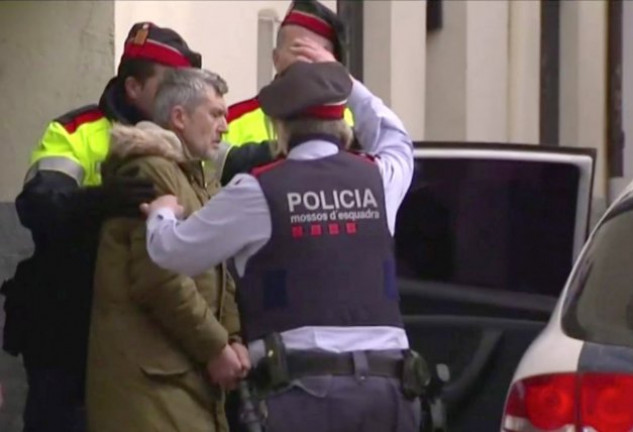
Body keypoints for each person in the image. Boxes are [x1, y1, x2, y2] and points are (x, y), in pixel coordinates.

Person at [141, 60, 422, 431]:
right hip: (388, 394)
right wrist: (347, 83)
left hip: (302, 396)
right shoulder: (379, 178)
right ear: (341, 126)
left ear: (281, 129)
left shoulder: (259, 190)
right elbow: (396, 138)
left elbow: (172, 253)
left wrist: (161, 215)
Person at [2, 22, 201, 432]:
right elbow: (39, 206)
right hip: (71, 325)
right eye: (169, 86)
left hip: (152, 328)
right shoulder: (75, 132)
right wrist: (98, 202)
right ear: (133, 88)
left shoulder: (191, 137)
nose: (180, 99)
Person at [86, 67, 249, 432]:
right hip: (152, 385)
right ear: (179, 117)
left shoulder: (197, 178)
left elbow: (221, 272)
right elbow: (160, 278)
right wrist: (217, 348)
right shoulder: (151, 171)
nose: (225, 126)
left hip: (180, 376)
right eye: (215, 114)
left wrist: (233, 340)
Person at [224, 0, 353, 147]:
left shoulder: (356, 122)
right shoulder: (232, 123)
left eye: (319, 56)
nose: (308, 64)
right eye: (300, 50)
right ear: (276, 58)